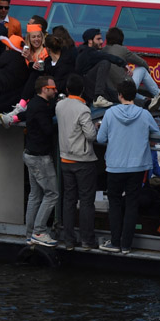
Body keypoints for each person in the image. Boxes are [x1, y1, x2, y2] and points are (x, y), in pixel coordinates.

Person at [96, 79, 160, 255]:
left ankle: (115, 242)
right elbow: (158, 135)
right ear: (134, 96)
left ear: (120, 95)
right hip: (138, 165)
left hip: (115, 166)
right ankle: (126, 245)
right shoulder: (144, 114)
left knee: (115, 203)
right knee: (132, 203)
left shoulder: (110, 113)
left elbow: (101, 139)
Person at [55, 73, 98, 251]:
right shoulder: (83, 109)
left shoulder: (59, 106)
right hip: (83, 160)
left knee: (69, 200)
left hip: (65, 159)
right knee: (87, 201)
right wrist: (95, 127)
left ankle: (69, 240)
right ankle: (88, 240)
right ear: (82, 90)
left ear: (66, 89)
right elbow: (91, 136)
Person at [21, 75, 60, 247]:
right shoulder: (40, 108)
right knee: (52, 194)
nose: (56, 90)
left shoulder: (35, 104)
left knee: (35, 195)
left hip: (30, 154)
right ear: (45, 89)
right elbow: (47, 130)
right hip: (40, 158)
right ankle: (39, 231)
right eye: (53, 88)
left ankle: (30, 234)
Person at [103, 27, 160, 109]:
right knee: (142, 69)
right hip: (124, 88)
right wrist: (148, 70)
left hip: (111, 91)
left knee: (127, 89)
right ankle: (158, 94)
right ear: (121, 39)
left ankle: (145, 99)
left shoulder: (103, 51)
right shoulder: (122, 50)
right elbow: (141, 62)